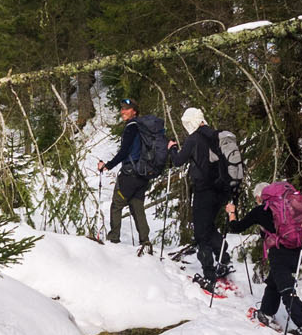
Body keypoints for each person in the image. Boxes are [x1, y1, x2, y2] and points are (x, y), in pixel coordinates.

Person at [224, 181, 302, 335]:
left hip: (279, 252)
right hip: (297, 251)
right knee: (274, 282)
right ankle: (266, 311)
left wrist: (232, 213)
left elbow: (236, 227)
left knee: (286, 289)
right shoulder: (292, 206)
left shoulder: (261, 210)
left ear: (260, 197)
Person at [168, 106, 235, 293]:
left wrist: (172, 149)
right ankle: (224, 258)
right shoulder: (217, 137)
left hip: (204, 190)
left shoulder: (193, 139)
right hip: (220, 191)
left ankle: (209, 275)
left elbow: (178, 161)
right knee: (209, 225)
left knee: (200, 233)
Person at [95, 98, 154, 248]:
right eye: (122, 108)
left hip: (129, 174)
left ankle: (113, 240)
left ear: (134, 111)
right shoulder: (144, 128)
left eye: (126, 109)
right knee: (137, 206)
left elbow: (124, 151)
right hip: (143, 175)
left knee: (116, 205)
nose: (123, 111)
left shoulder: (131, 127)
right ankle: (145, 242)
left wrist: (107, 166)